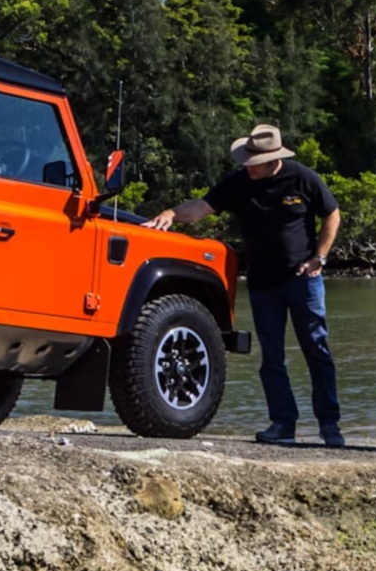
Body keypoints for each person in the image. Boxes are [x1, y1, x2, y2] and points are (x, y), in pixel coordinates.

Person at [145, 125, 344, 447]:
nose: (248, 167)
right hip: (263, 283)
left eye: (255, 162)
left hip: (304, 280)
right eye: (246, 161)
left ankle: (329, 425)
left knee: (317, 350)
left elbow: (332, 213)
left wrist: (320, 256)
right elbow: (202, 207)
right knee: (272, 357)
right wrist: (170, 213)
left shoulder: (302, 178)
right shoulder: (238, 183)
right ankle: (282, 424)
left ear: (273, 160)